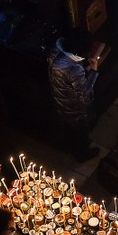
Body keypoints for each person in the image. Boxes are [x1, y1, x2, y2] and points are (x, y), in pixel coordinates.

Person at [47, 30, 100, 162]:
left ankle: (77, 146)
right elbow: (85, 90)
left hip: (61, 100)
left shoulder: (55, 52)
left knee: (71, 129)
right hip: (74, 107)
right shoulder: (73, 69)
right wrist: (94, 70)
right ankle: (82, 154)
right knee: (80, 131)